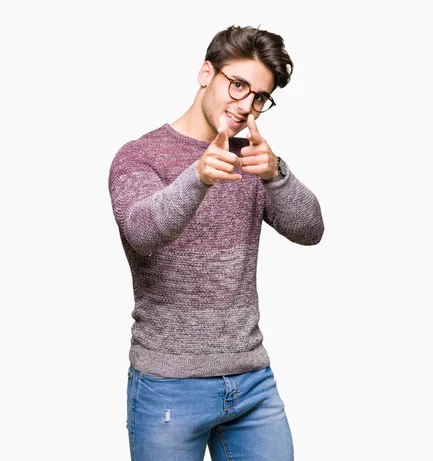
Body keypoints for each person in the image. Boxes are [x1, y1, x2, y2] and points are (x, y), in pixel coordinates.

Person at [108, 25, 324, 461]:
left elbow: (311, 230)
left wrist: (276, 173)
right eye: (238, 84)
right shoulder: (138, 156)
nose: (246, 106)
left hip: (251, 383)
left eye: (259, 97)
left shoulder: (253, 158)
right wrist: (200, 175)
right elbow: (143, 232)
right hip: (168, 386)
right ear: (207, 72)